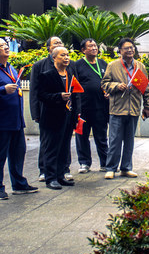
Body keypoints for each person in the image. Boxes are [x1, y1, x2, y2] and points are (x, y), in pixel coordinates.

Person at [0, 36, 38, 200]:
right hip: (0, 121)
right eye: (2, 45)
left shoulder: (10, 68)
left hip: (16, 120)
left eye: (6, 45)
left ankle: (19, 183)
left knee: (18, 153)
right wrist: (2, 90)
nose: (6, 47)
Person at [101, 38, 149, 180]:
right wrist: (116, 86)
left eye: (132, 48)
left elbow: (146, 88)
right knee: (115, 140)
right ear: (120, 51)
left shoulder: (140, 67)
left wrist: (147, 106)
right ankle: (111, 168)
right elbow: (104, 84)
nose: (130, 50)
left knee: (129, 141)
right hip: (117, 109)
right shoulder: (113, 65)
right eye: (126, 48)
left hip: (134, 108)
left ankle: (126, 168)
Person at [37, 46, 80, 190]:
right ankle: (50, 178)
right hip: (52, 118)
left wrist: (75, 115)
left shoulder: (70, 74)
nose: (66, 58)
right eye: (63, 55)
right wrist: (58, 96)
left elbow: (75, 95)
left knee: (63, 147)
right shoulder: (47, 75)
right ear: (54, 58)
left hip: (68, 116)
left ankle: (61, 175)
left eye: (68, 55)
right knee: (51, 148)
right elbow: (41, 95)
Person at [28, 36, 67, 182]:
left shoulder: (69, 66)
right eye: (55, 43)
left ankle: (62, 171)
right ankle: (44, 170)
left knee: (63, 143)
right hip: (47, 112)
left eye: (61, 43)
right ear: (49, 49)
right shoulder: (40, 66)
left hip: (65, 112)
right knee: (47, 143)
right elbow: (35, 91)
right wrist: (35, 112)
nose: (59, 45)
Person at [72, 38, 109, 173]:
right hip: (83, 108)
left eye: (95, 45)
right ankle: (84, 163)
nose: (94, 48)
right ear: (83, 50)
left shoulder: (103, 63)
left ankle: (105, 163)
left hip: (100, 108)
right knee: (82, 136)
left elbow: (109, 81)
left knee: (101, 136)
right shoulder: (77, 65)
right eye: (90, 46)